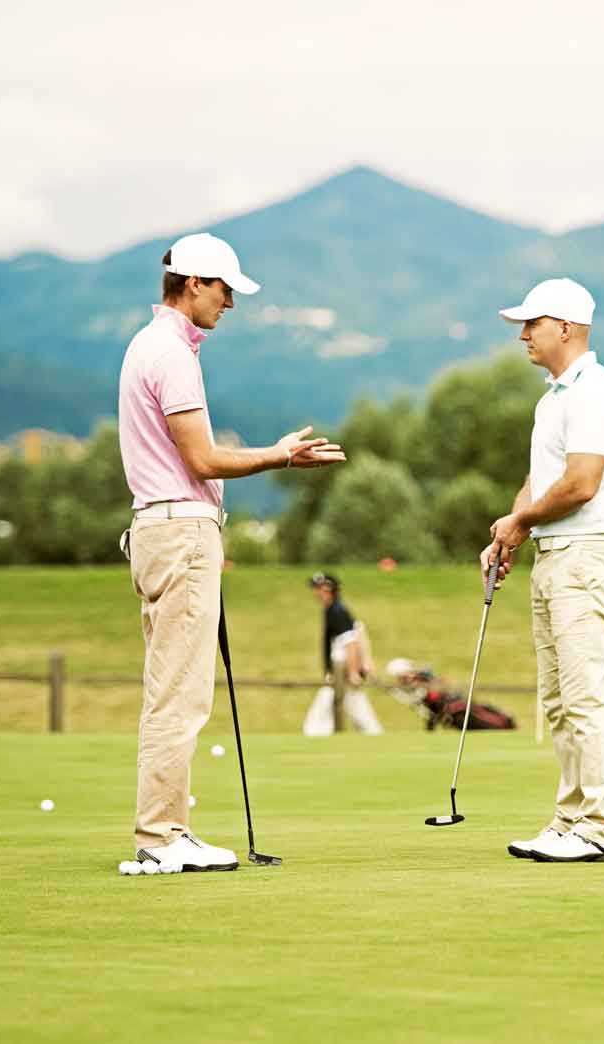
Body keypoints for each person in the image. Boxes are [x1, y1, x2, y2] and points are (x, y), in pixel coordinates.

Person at [118, 232, 345, 872]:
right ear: (194, 283)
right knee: (180, 695)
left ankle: (167, 830)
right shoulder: (171, 353)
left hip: (160, 531)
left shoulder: (150, 344)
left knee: (170, 689)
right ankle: (162, 837)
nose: (231, 303)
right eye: (224, 289)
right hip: (181, 533)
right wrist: (281, 456)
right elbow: (202, 459)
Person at [481, 277, 604, 864]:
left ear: (565, 328)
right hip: (556, 556)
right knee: (559, 701)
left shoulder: (594, 390)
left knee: (586, 697)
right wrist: (512, 528)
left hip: (587, 556)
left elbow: (581, 483)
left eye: (533, 323)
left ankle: (598, 829)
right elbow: (542, 480)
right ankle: (571, 820)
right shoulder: (554, 397)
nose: (523, 334)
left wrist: (522, 521)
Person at [303, 572, 384, 736]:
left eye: (318, 588)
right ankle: (376, 736)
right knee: (362, 715)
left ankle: (316, 737)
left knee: (316, 720)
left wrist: (353, 672)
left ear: (328, 590)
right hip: (342, 673)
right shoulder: (334, 609)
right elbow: (359, 632)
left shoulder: (336, 611)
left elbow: (351, 642)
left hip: (343, 673)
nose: (315, 592)